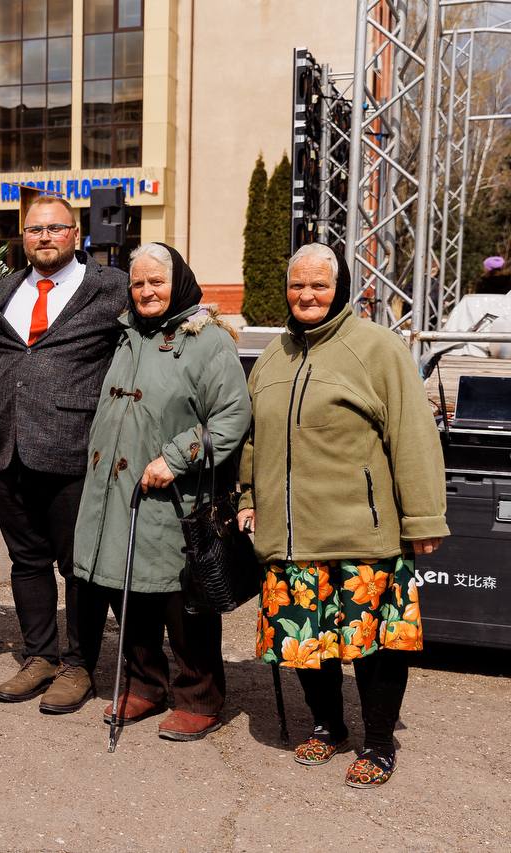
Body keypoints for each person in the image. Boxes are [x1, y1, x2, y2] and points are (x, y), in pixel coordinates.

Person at [238, 242, 447, 788]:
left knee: (373, 645)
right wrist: (246, 498)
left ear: (341, 289)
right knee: (306, 641)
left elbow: (413, 436)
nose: (307, 295)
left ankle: (378, 743)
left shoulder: (377, 348)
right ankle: (328, 726)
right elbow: (254, 440)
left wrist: (423, 519)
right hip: (290, 534)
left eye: (320, 285)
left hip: (361, 532)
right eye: (297, 284)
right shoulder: (273, 355)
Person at [73, 243, 250, 740]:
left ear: (180, 283)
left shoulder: (207, 339)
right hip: (117, 491)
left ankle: (199, 696)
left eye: (157, 281)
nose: (146, 291)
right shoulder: (129, 334)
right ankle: (146, 685)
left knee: (180, 599)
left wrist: (175, 458)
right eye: (138, 283)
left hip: (174, 495)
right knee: (126, 590)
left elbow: (233, 415)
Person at [0, 195, 128, 714]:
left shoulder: (109, 286)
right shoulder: (2, 288)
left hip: (75, 448)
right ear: (23, 236)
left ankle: (78, 665)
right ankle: (39, 656)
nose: (44, 238)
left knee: (79, 565)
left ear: (76, 234)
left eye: (55, 229)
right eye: (34, 229)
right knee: (26, 562)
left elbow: (165, 313)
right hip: (9, 445)